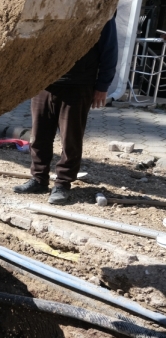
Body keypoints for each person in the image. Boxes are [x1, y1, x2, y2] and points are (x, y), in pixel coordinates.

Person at [14, 16, 118, 204]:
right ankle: (39, 179)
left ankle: (62, 183)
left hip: (78, 84)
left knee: (71, 139)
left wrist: (102, 86)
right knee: (39, 136)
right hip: (44, 84)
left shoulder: (100, 11)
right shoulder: (52, 7)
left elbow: (109, 50)